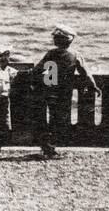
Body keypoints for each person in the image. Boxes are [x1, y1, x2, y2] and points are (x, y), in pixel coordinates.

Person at [35, 25, 100, 159]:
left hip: (49, 89)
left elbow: (38, 70)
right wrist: (93, 85)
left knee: (50, 117)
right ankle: (50, 147)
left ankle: (47, 146)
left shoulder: (50, 53)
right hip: (63, 92)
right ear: (69, 41)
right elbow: (85, 73)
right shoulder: (75, 55)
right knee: (59, 120)